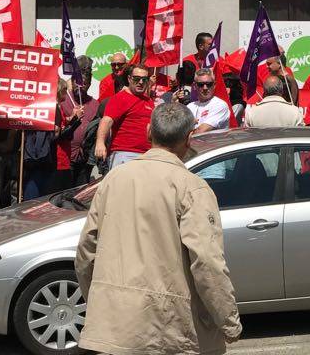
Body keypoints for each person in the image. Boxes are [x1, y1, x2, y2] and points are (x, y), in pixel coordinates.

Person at [76, 103, 241, 355]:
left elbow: (86, 252)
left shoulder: (114, 179)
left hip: (114, 326)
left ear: (148, 131)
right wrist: (228, 321)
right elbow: (207, 262)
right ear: (189, 138)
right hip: (168, 329)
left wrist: (101, 302)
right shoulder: (192, 188)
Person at [95, 64, 154, 170]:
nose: (141, 82)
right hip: (125, 154)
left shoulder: (149, 101)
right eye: (137, 79)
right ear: (129, 79)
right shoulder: (120, 98)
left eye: (144, 79)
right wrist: (100, 143)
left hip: (146, 156)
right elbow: (106, 120)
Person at [68, 56, 102, 186]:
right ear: (72, 81)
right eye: (77, 83)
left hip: (85, 160)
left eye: (84, 84)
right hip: (66, 159)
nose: (80, 86)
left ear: (89, 84)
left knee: (81, 194)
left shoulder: (95, 104)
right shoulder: (64, 99)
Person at [186, 68, 230, 134]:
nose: (205, 88)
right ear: (195, 86)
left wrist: (187, 125)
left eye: (209, 84)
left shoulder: (220, 105)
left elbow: (200, 132)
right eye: (201, 84)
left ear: (214, 85)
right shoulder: (190, 106)